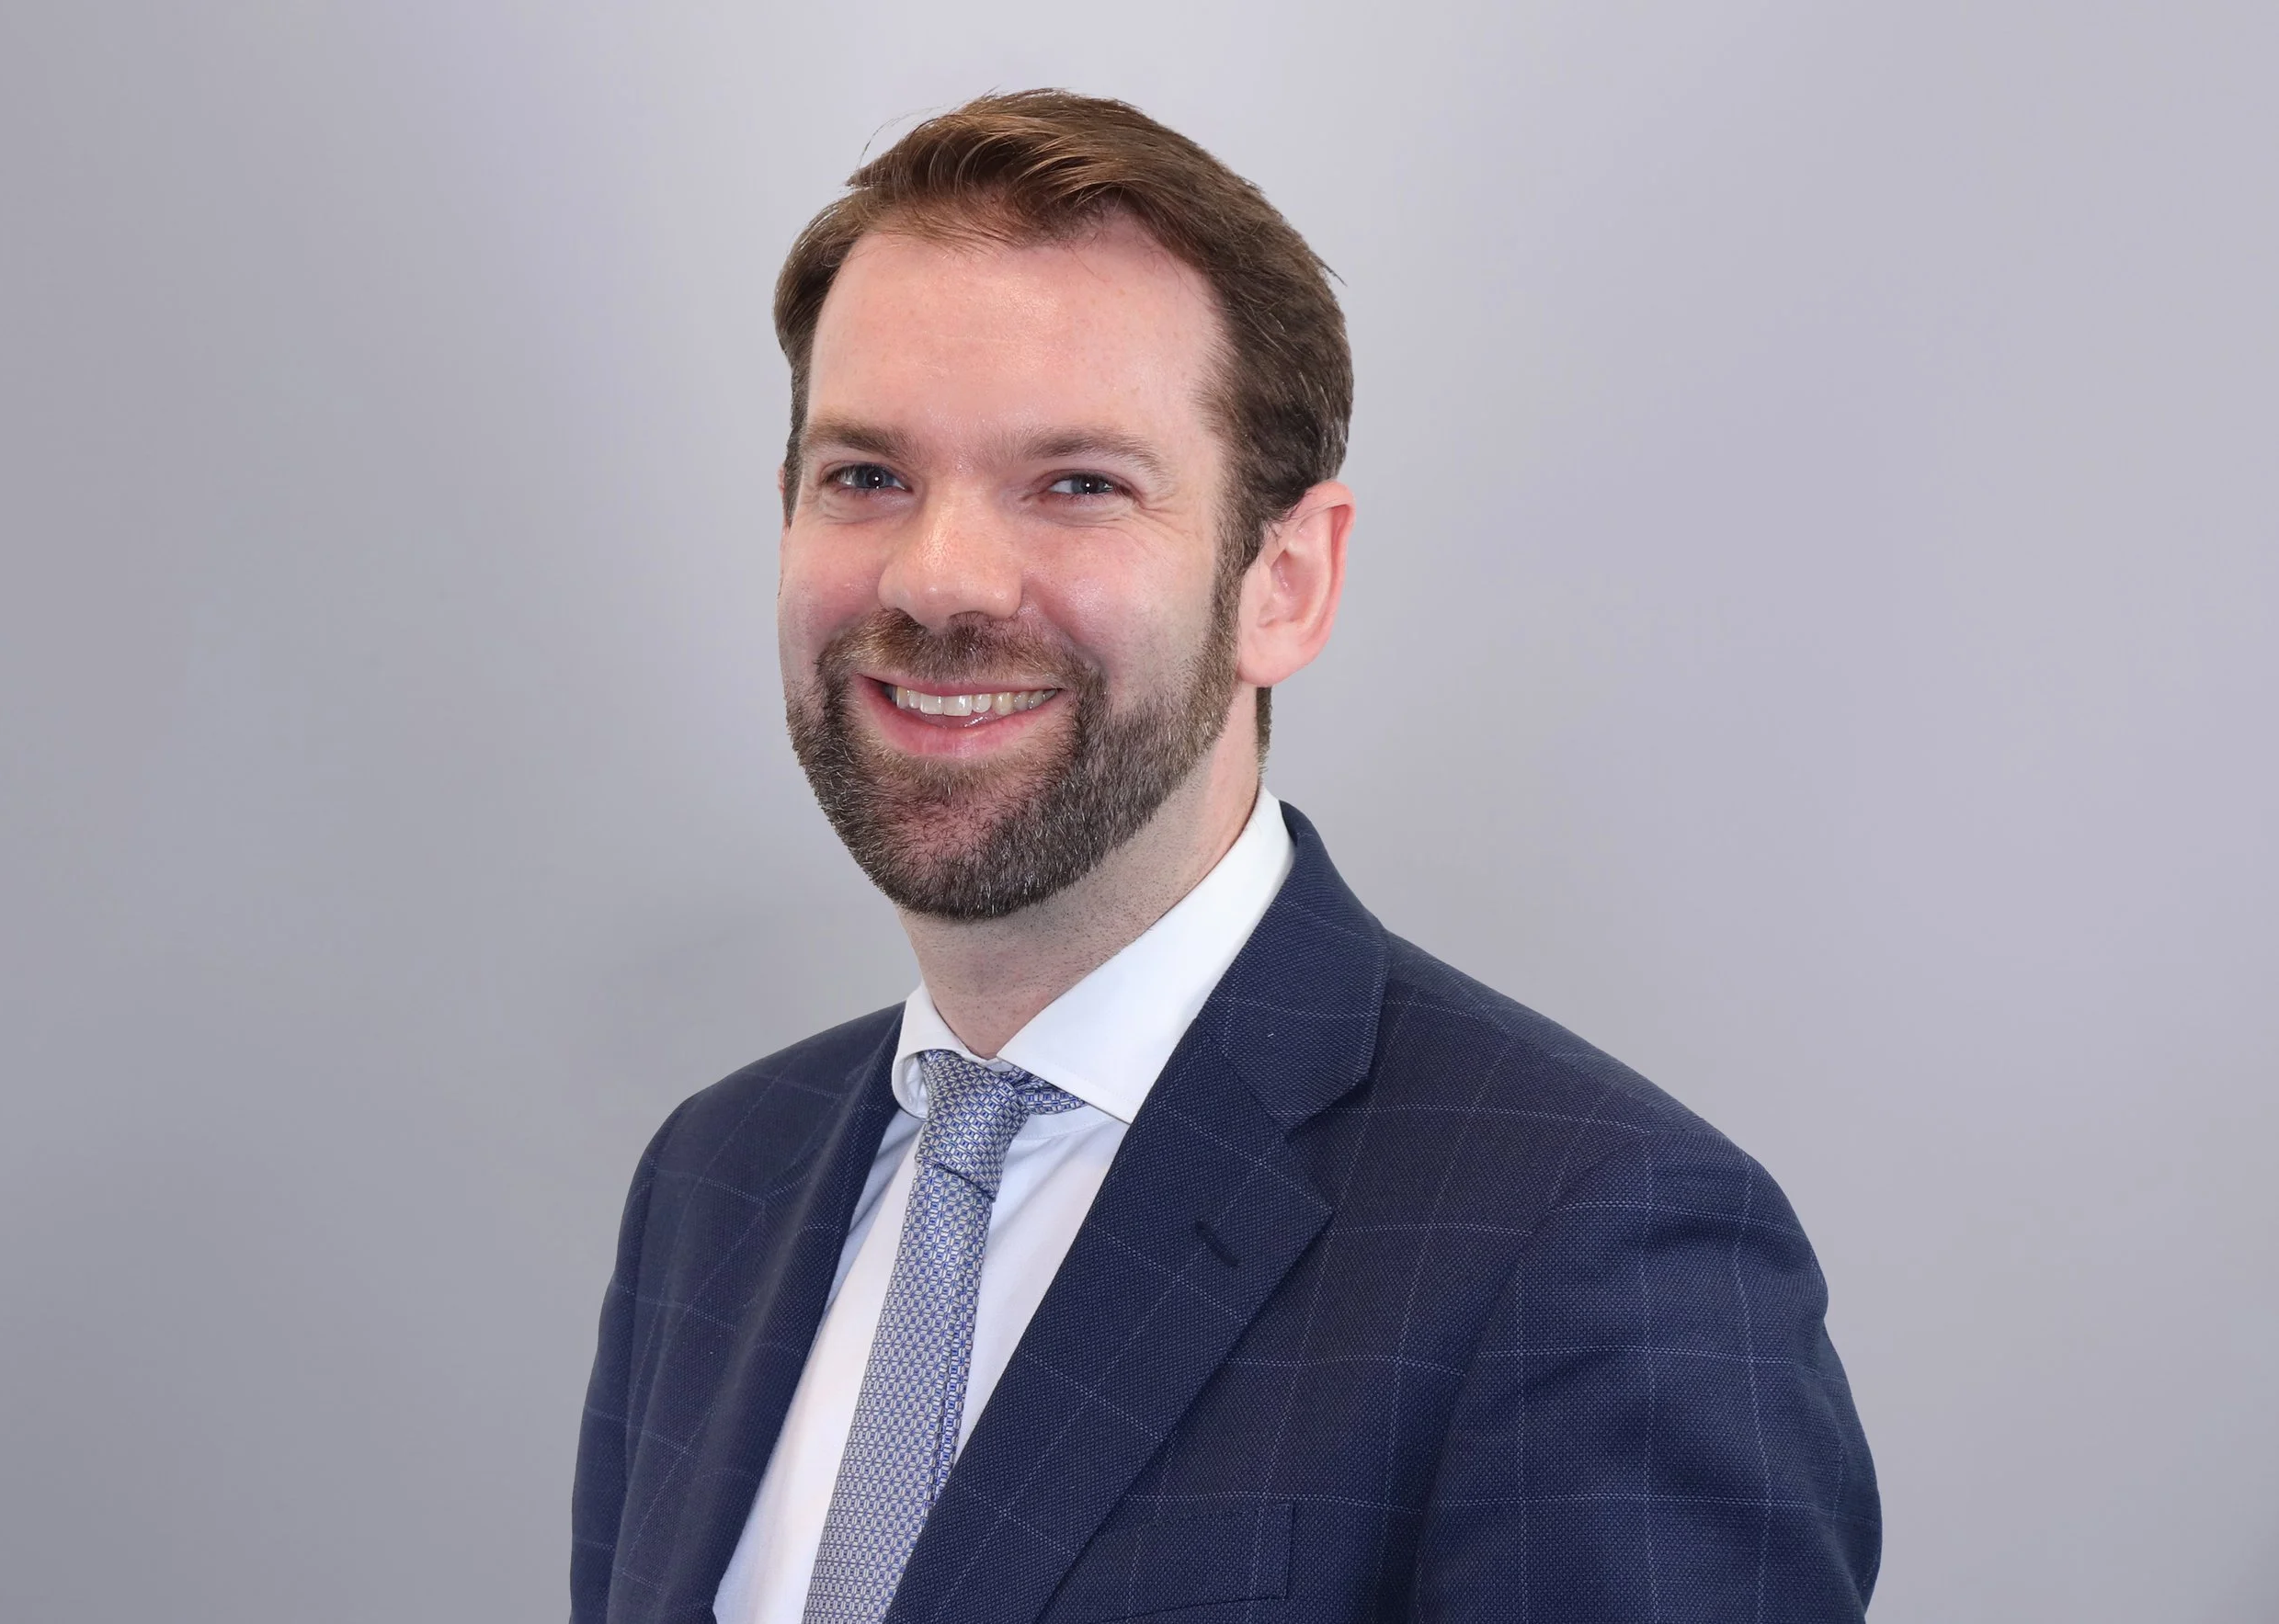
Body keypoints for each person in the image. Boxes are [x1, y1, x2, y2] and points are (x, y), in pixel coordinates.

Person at [571, 90, 1878, 1624]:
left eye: (1078, 483)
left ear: (1286, 582)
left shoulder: (1595, 1253)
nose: (937, 577)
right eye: (866, 475)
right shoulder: (718, 1183)